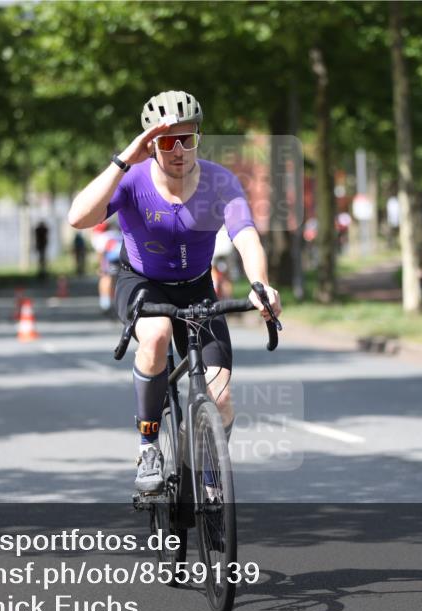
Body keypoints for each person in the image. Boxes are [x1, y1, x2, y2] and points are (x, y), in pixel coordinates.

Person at [68, 90, 281, 493]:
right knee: (157, 334)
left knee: (220, 398)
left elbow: (246, 236)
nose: (179, 150)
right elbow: (78, 217)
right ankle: (148, 445)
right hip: (142, 284)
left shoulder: (220, 181)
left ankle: (205, 473)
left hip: (197, 287)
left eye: (187, 139)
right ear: (150, 144)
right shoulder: (132, 180)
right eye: (167, 141)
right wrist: (122, 161)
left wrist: (260, 285)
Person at [91, 220, 123, 315]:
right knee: (117, 281)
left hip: (110, 261)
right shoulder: (118, 234)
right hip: (121, 260)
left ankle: (105, 303)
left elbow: (100, 253)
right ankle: (117, 301)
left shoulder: (102, 237)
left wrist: (100, 266)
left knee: (106, 279)